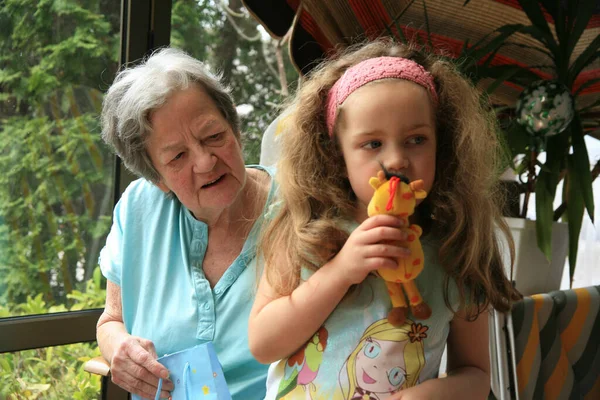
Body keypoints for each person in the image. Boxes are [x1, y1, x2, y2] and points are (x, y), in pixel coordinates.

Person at [248, 38, 522, 400]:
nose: (395, 160)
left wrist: (426, 396)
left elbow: (475, 375)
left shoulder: (457, 249)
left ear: (443, 145)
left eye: (416, 139)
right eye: (373, 144)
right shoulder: (305, 232)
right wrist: (342, 269)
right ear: (336, 154)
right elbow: (263, 345)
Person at [96, 48, 275, 400]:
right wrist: (119, 349)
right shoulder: (138, 210)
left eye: (213, 136)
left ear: (235, 131)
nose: (206, 162)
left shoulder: (300, 205)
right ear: (156, 178)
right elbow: (110, 320)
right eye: (178, 156)